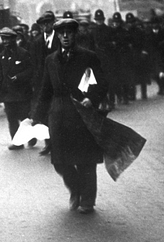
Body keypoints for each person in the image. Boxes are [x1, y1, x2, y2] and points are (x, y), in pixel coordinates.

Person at [33, 18, 108, 214]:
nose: (65, 36)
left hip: (82, 114)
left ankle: (87, 201)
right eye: (61, 33)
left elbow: (102, 83)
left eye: (69, 32)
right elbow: (45, 90)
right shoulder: (51, 60)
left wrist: (91, 98)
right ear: (57, 36)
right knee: (59, 161)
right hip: (58, 114)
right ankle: (75, 189)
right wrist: (35, 117)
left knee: (86, 160)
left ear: (75, 35)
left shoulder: (88, 57)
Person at [0, 27, 34, 150]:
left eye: (8, 39)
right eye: (4, 39)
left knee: (25, 118)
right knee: (11, 118)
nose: (5, 42)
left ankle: (31, 137)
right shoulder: (2, 56)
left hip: (22, 92)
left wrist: (18, 77)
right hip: (8, 93)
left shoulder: (23, 53)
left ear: (14, 39)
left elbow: (31, 70)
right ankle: (16, 142)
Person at [30, 10, 60, 155]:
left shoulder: (60, 39)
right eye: (42, 25)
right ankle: (49, 143)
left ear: (53, 23)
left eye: (47, 24)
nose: (45, 27)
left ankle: (59, 143)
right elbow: (35, 64)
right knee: (44, 114)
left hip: (58, 83)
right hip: (42, 84)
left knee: (58, 113)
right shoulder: (37, 43)